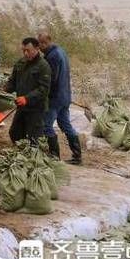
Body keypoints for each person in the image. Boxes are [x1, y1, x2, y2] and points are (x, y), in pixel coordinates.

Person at [38, 30, 82, 165]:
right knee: (65, 124)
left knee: (46, 126)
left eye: (39, 45)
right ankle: (77, 155)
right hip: (65, 96)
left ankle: (54, 156)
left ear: (45, 43)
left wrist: (41, 93)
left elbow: (51, 79)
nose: (39, 48)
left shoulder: (52, 57)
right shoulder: (60, 51)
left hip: (55, 98)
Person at [5, 37, 51, 144]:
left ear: (36, 49)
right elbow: (13, 81)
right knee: (14, 133)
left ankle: (36, 156)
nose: (26, 53)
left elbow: (43, 89)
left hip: (36, 109)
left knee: (34, 138)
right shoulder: (20, 63)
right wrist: (5, 90)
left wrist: (27, 98)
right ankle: (22, 152)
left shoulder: (43, 66)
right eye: (23, 51)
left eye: (28, 51)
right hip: (22, 106)